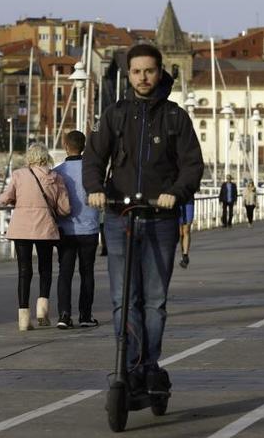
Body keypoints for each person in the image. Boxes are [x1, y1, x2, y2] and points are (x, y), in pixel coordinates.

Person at [84, 43, 203, 397]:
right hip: (120, 217)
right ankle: (130, 364)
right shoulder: (115, 115)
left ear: (159, 71)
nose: (143, 78)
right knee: (124, 299)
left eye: (149, 71)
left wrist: (176, 192)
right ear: (128, 74)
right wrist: (95, 188)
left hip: (160, 218)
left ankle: (150, 364)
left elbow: (192, 165)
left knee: (154, 300)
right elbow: (93, 158)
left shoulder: (174, 117)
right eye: (136, 72)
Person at [0, 143, 70, 331]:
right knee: (45, 268)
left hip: (22, 228)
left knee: (24, 270)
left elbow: (4, 199)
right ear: (45, 157)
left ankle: (23, 318)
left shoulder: (18, 175)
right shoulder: (55, 177)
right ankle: (42, 310)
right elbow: (65, 209)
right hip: (45, 228)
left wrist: (18, 200)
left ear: (29, 158)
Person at [53, 131, 99, 330]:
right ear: (84, 146)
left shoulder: (58, 172)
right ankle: (85, 315)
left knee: (65, 273)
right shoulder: (93, 171)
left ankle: (64, 315)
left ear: (65, 145)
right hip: (89, 228)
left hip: (66, 228)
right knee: (87, 273)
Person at [177, 198, 194, 268]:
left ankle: (185, 255)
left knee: (186, 229)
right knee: (180, 233)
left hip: (189, 202)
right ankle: (183, 253)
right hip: (178, 202)